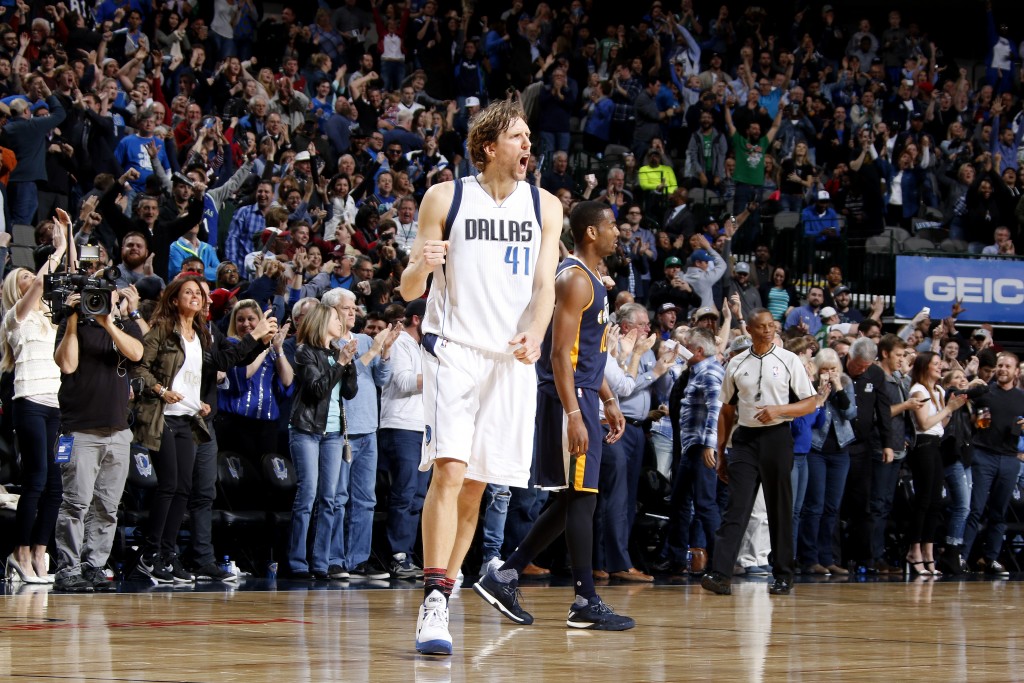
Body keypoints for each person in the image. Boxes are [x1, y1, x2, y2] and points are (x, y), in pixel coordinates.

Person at [399, 96, 561, 656]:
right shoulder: (447, 196)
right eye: (518, 138)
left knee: (477, 484)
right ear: (488, 146)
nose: (528, 148)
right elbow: (408, 289)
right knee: (449, 470)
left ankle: (448, 584)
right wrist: (422, 263)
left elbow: (546, 287)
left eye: (530, 139)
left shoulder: (546, 207)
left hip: (511, 358)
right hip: (455, 349)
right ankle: (434, 599)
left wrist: (537, 332)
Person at [473, 200, 630, 630]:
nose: (618, 231)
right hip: (568, 399)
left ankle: (504, 576)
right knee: (581, 497)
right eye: (611, 225)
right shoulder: (575, 279)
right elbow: (559, 354)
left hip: (582, 394)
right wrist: (576, 413)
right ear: (592, 233)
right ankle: (584, 601)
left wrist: (609, 399)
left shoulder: (594, 279)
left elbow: (588, 354)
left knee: (569, 500)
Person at [52, 212, 145, 592]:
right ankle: (68, 569)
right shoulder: (70, 323)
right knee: (75, 503)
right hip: (79, 430)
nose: (98, 301)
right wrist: (74, 318)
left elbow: (137, 354)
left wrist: (108, 322)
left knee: (108, 506)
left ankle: (94, 566)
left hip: (118, 431)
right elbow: (68, 363)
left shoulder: (121, 325)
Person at [701, 309, 818, 596]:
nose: (768, 330)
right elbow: (726, 408)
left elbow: (810, 403)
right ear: (750, 330)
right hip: (744, 440)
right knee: (736, 507)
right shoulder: (736, 363)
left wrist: (780, 410)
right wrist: (721, 447)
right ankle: (720, 574)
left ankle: (783, 574)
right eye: (762, 327)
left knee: (779, 508)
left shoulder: (789, 360)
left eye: (771, 326)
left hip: (777, 437)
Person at [131, 277, 217, 584]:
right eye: (188, 293)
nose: (195, 297)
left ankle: (168, 555)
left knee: (183, 488)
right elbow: (139, 367)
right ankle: (149, 554)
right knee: (168, 485)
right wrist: (159, 389)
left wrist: (200, 405)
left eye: (198, 293)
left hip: (187, 419)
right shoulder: (162, 331)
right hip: (162, 416)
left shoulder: (201, 335)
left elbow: (193, 380)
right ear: (174, 299)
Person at [1, 221, 69, 583]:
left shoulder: (50, 318)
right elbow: (44, 281)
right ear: (15, 288)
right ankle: (20, 552)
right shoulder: (16, 318)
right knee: (36, 480)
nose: (32, 278)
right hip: (28, 404)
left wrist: (70, 237)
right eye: (24, 275)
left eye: (32, 273)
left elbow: (67, 282)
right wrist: (55, 251)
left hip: (55, 407)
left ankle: (41, 554)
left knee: (55, 486)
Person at [287, 303, 359, 579]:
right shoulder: (306, 352)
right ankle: (297, 560)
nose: (341, 323)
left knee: (329, 499)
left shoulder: (336, 353)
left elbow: (350, 393)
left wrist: (348, 365)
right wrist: (340, 363)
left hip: (332, 434)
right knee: (307, 495)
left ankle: (321, 561)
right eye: (336, 319)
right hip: (306, 430)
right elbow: (316, 390)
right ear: (320, 321)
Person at [657, 327, 725, 576]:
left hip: (701, 448)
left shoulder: (710, 372)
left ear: (698, 350)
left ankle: (720, 563)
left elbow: (715, 409)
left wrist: (710, 445)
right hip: (690, 447)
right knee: (679, 503)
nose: (682, 349)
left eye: (687, 345)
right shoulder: (695, 372)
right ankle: (676, 558)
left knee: (705, 504)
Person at [960, 352, 1024, 576]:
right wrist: (978, 419)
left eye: (1008, 366)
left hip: (1009, 458)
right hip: (983, 455)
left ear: (1016, 371)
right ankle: (962, 556)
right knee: (975, 508)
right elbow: (974, 421)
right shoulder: (985, 393)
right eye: (1000, 365)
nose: (1003, 369)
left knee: (999, 512)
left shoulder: (1022, 397)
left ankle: (991, 558)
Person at [378, 298, 429, 579]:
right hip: (401, 426)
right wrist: (438, 373)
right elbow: (405, 382)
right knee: (405, 491)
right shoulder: (399, 344)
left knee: (418, 495)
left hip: (423, 428)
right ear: (417, 319)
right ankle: (398, 554)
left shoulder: (424, 348)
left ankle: (407, 553)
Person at [905, 352, 968, 576]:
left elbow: (941, 423)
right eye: (936, 364)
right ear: (924, 367)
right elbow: (923, 423)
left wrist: (951, 408)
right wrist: (948, 409)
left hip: (936, 446)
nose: (940, 367)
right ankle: (914, 551)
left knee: (935, 503)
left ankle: (929, 552)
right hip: (922, 446)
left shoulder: (939, 390)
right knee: (923, 501)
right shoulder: (918, 391)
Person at [798, 348, 857, 576]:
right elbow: (809, 412)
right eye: (826, 369)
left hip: (840, 448)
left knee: (832, 507)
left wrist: (838, 387)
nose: (830, 373)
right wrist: (819, 389)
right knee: (814, 505)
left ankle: (828, 557)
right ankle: (809, 558)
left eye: (834, 369)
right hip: (816, 449)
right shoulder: (808, 383)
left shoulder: (845, 382)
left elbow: (850, 413)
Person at [214, 301, 295, 458]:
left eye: (251, 319)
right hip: (236, 423)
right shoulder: (231, 345)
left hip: (267, 422)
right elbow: (245, 372)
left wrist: (278, 348)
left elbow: (287, 381)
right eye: (240, 320)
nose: (246, 324)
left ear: (260, 322)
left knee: (267, 477)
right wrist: (263, 346)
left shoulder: (272, 349)